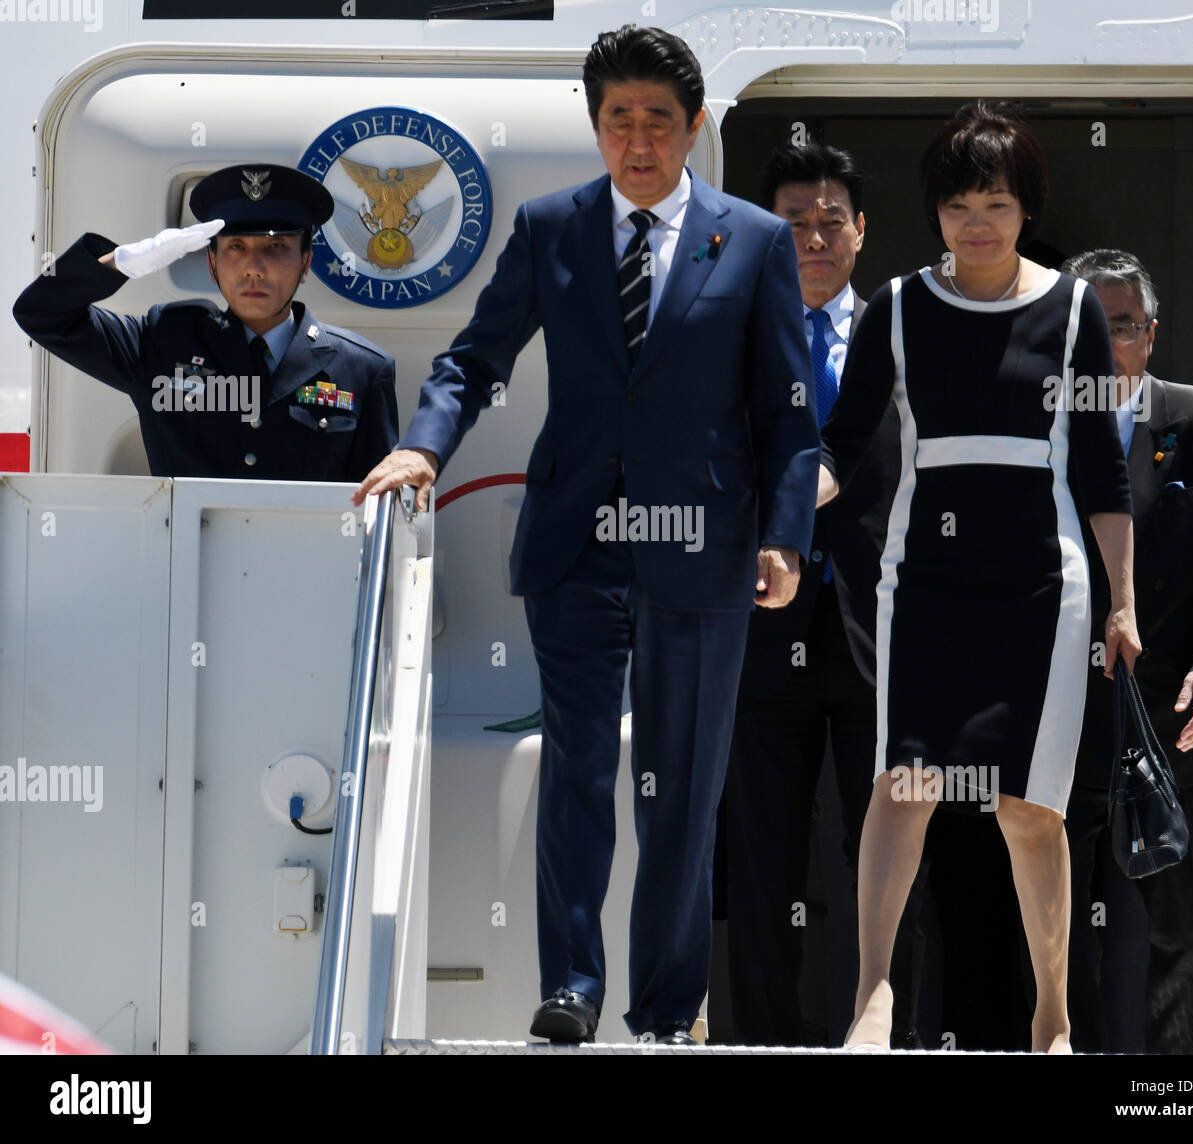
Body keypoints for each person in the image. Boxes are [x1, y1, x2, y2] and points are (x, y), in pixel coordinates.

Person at [353, 25, 820, 1044]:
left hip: (703, 550)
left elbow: (787, 414)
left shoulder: (750, 239)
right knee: (573, 773)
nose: (639, 139)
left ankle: (664, 1009)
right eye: (619, 119)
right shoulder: (551, 228)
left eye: (659, 118)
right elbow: (471, 360)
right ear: (597, 127)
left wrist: (782, 536)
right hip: (577, 546)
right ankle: (569, 987)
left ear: (693, 127)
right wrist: (425, 447)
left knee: (683, 790)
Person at [820, 101, 1140, 1053]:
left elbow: (1102, 467)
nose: (977, 222)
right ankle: (872, 997)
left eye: (995, 202)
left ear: (1025, 208)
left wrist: (1122, 601)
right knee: (905, 784)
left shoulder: (1077, 309)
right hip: (923, 583)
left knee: (1029, 811)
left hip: (1044, 591)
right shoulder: (897, 308)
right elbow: (841, 441)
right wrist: (786, 517)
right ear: (935, 212)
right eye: (959, 203)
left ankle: (1052, 1014)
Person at [719, 140, 925, 1048]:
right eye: (793, 221)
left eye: (829, 218)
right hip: (760, 629)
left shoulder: (910, 334)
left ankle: (885, 1033)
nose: (811, 235)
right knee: (764, 854)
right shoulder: (727, 335)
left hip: (880, 630)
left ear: (862, 229)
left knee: (889, 853)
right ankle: (768, 1037)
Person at [1060, 248, 1193, 1054]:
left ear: (1149, 336)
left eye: (1118, 326)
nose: (1102, 342)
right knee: (1056, 935)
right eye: (1084, 325)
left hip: (1181, 729)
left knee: (1191, 935)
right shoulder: (1033, 430)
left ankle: (1183, 1098)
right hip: (1062, 730)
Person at [13, 164, 398, 481]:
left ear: (305, 263)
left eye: (276, 247)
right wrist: (123, 263)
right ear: (212, 264)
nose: (254, 268)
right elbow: (42, 314)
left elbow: (379, 511)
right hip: (185, 573)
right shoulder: (162, 342)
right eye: (236, 248)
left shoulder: (361, 370)